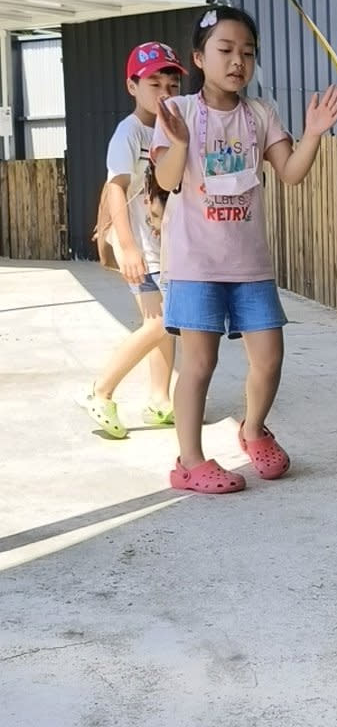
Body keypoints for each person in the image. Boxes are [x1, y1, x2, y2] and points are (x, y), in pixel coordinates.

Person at [151, 5, 337, 494]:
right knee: (199, 364)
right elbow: (168, 180)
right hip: (195, 263)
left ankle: (253, 430)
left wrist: (316, 133)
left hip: (249, 264)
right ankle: (189, 462)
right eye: (226, 50)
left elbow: (291, 172)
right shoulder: (178, 113)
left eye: (248, 52)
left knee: (270, 357)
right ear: (198, 56)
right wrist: (177, 145)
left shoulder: (260, 114)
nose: (238, 61)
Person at [81, 41, 186, 438]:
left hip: (166, 245)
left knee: (160, 323)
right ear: (132, 86)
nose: (165, 93)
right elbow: (115, 187)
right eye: (154, 83)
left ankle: (159, 399)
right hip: (141, 246)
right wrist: (127, 247)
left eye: (172, 85)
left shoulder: (175, 127)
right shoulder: (130, 132)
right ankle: (101, 390)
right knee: (163, 321)